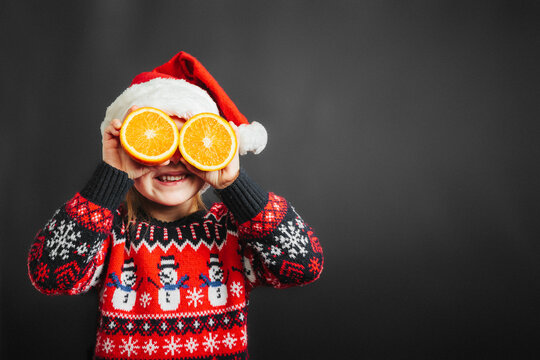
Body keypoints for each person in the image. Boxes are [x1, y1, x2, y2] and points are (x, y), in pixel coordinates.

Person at [27, 51, 324, 360]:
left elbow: (303, 265)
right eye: (157, 140)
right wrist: (110, 176)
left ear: (209, 149)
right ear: (130, 144)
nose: (172, 157)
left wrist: (234, 185)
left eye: (188, 140)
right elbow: (50, 274)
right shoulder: (108, 232)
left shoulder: (232, 231)